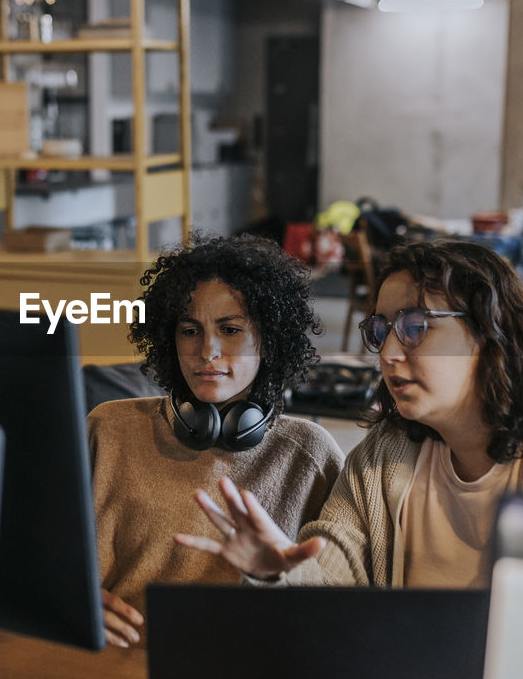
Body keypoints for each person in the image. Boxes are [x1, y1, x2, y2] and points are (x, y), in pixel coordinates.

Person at [177, 238, 523, 590]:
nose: (388, 353)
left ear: (490, 332)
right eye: (381, 331)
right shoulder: (382, 456)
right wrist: (279, 570)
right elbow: (332, 572)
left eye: (415, 326)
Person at [89, 234, 345, 647]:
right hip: (110, 666)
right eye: (190, 330)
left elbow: (341, 605)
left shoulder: (309, 453)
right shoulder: (108, 427)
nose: (207, 351)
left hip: (243, 675)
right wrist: (75, 602)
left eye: (230, 330)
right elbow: (41, 562)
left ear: (269, 338)